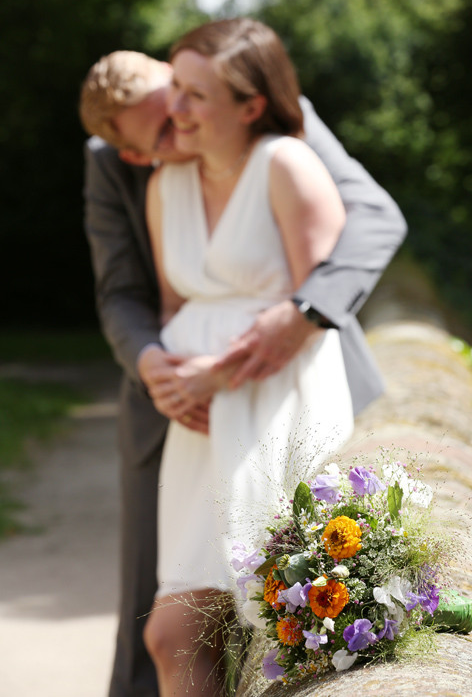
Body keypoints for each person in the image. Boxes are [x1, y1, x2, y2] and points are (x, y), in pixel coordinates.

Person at [79, 39, 407, 697]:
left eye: (185, 93)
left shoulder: (270, 119)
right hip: (177, 409)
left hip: (285, 388)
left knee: (303, 612)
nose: (181, 114)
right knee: (162, 632)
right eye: (163, 125)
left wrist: (301, 312)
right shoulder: (120, 163)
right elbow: (124, 291)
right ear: (135, 151)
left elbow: (373, 215)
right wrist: (157, 364)